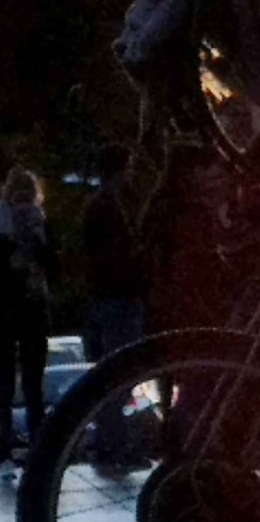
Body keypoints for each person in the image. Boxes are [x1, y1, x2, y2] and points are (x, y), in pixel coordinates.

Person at [80, 144, 148, 467]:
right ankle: (115, 443)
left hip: (109, 295)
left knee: (116, 373)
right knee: (120, 374)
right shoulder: (110, 207)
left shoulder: (100, 205)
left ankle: (113, 442)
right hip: (118, 295)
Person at [0, 166, 60, 474]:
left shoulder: (2, 221)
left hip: (5, 309)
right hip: (34, 306)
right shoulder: (40, 221)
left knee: (4, 383)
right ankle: (39, 443)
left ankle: (3, 445)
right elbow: (53, 262)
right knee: (35, 382)